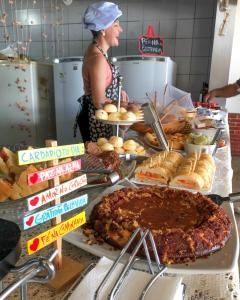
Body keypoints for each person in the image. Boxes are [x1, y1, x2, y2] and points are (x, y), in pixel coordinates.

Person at [74, 1, 129, 142]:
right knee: (101, 161)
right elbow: (99, 102)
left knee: (106, 160)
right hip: (96, 122)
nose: (120, 30)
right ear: (103, 30)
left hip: (99, 119)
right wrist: (124, 108)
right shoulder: (97, 58)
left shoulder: (98, 52)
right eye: (116, 25)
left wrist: (118, 91)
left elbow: (104, 84)